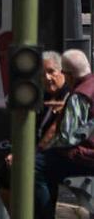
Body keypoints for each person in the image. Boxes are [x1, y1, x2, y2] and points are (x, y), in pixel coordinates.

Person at [0, 53, 66, 212]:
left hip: (59, 152)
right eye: (42, 74)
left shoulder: (68, 94)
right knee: (3, 171)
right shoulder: (41, 96)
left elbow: (53, 132)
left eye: (51, 71)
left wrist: (27, 155)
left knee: (37, 170)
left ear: (61, 71)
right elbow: (30, 128)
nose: (47, 78)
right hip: (39, 151)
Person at [33, 48, 94, 216]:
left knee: (35, 166)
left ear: (68, 75)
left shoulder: (79, 95)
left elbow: (67, 138)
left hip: (85, 158)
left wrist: (45, 148)